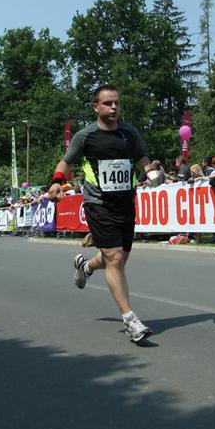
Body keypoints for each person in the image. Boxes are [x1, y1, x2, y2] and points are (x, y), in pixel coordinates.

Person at [47, 84, 154, 343]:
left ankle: (85, 266)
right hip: (98, 203)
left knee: (119, 258)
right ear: (96, 107)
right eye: (107, 103)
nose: (114, 107)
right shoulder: (85, 136)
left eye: (116, 102)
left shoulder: (129, 133)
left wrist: (151, 172)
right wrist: (56, 182)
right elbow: (65, 161)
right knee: (114, 258)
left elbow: (142, 156)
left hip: (125, 202)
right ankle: (129, 319)